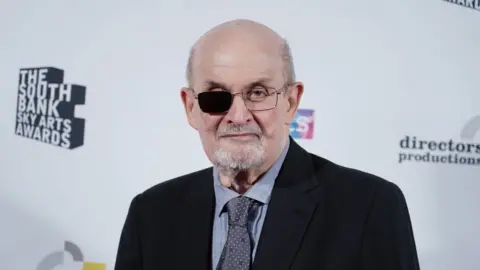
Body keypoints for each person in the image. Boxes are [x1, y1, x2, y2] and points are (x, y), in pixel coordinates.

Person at [114, 19, 420, 270]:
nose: (237, 115)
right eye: (215, 96)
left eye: (258, 93)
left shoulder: (369, 206)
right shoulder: (151, 214)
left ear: (291, 101)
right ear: (190, 107)